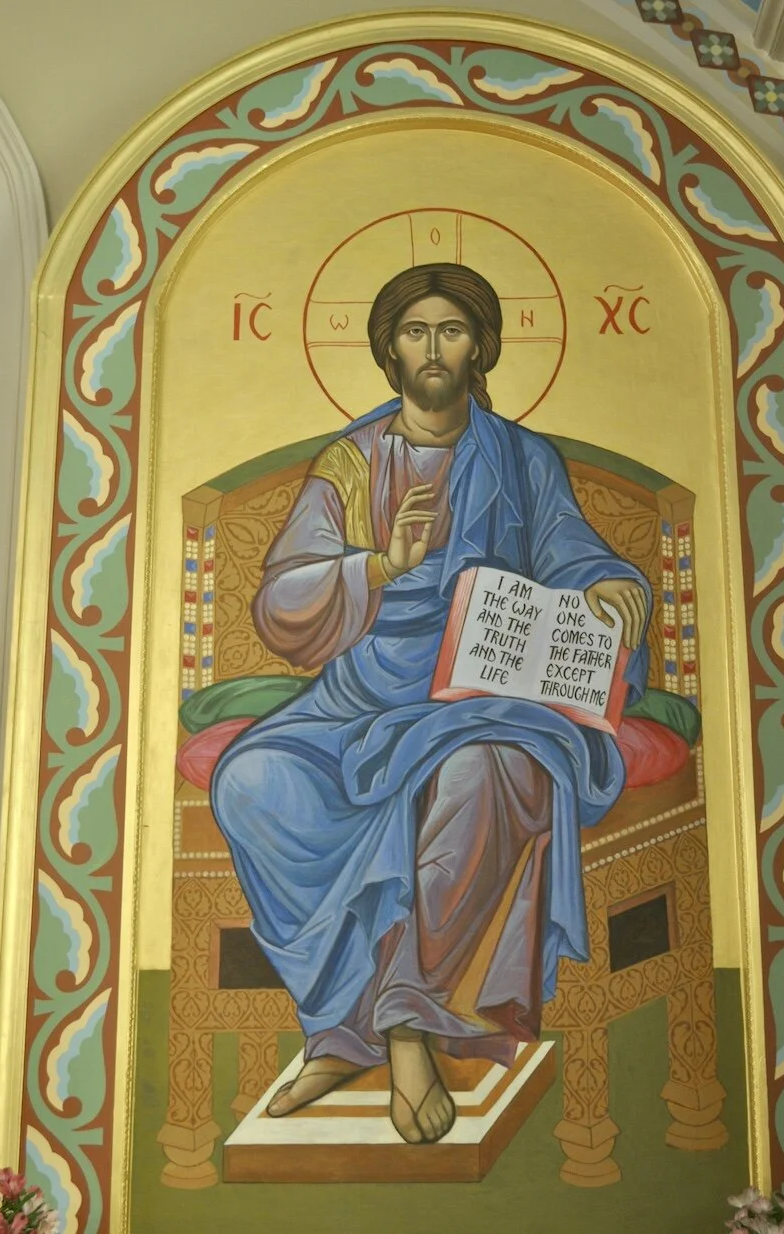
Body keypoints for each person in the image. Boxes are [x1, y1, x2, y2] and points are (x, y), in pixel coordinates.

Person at [210, 263, 650, 1146]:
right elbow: (282, 602)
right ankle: (344, 1027)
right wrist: (381, 566)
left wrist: (606, 583)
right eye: (416, 332)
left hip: (486, 692)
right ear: (390, 352)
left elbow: (570, 552)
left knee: (480, 772)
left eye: (452, 330)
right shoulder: (350, 463)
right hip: (361, 696)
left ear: (479, 346)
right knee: (250, 781)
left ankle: (404, 1024)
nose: (434, 347)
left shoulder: (521, 459)